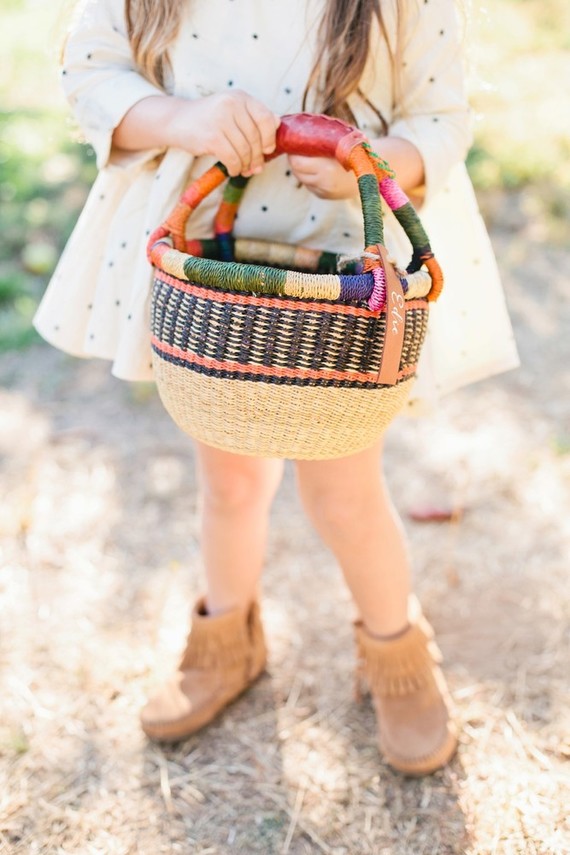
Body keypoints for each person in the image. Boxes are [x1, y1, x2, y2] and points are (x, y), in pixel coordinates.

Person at [34, 0, 519, 776]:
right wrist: (182, 120)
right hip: (213, 264)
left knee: (344, 490)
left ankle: (396, 650)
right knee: (226, 480)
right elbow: (91, 73)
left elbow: (443, 118)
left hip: (341, 272)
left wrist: (370, 157)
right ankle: (227, 640)